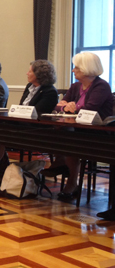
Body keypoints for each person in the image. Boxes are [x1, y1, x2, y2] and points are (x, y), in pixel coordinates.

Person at [0, 59, 57, 164]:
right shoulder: (29, 87)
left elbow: (36, 113)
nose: (27, 73)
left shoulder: (50, 92)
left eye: (30, 71)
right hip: (20, 124)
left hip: (33, 130)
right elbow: (21, 106)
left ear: (39, 75)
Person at [50, 52, 114, 202]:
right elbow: (58, 106)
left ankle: (67, 173)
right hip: (77, 129)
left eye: (76, 67)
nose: (73, 70)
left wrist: (70, 108)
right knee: (64, 134)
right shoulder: (76, 86)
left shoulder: (101, 86)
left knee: (69, 137)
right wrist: (66, 108)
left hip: (98, 133)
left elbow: (89, 110)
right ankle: (62, 163)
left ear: (86, 68)